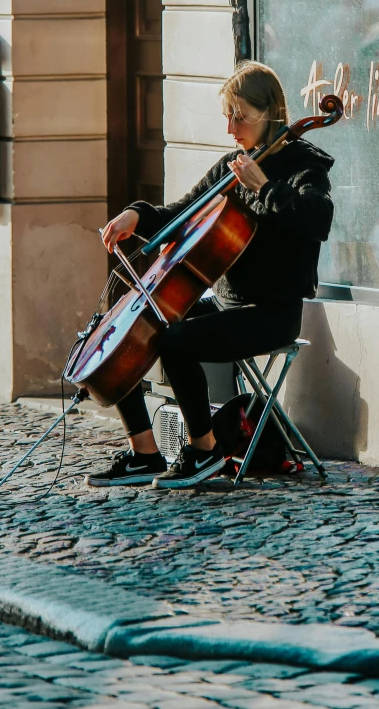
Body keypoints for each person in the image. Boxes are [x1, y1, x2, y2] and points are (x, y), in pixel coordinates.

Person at [85, 60, 335, 490]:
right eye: (228, 116)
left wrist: (263, 188)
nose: (230, 128)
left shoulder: (304, 165)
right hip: (226, 302)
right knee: (127, 321)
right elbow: (178, 213)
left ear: (270, 111)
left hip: (271, 312)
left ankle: (205, 452)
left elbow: (318, 220)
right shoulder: (232, 166)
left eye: (240, 116)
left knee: (176, 340)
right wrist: (136, 214)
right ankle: (144, 452)